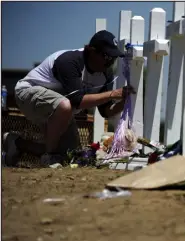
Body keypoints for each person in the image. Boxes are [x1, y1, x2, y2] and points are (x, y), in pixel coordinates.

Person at [3, 30, 133, 168]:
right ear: (91, 50)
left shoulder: (106, 74)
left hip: (57, 107)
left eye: (113, 58)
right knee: (65, 106)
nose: (110, 62)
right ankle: (49, 157)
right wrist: (112, 94)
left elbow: (105, 111)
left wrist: (124, 102)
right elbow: (77, 100)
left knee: (69, 153)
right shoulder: (70, 61)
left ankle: (16, 143)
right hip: (28, 93)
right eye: (106, 56)